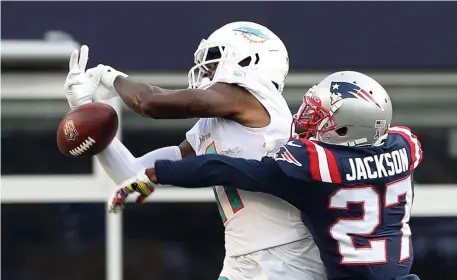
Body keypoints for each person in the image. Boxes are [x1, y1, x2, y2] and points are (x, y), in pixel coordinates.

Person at [64, 21, 325, 280]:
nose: (207, 69)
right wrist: (87, 111)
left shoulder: (252, 94)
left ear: (249, 61)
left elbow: (150, 103)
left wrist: (110, 77)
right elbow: (132, 173)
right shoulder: (215, 125)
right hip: (244, 258)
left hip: (285, 257)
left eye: (215, 59)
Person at [114, 71, 423, 280]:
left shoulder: (316, 166)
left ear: (345, 129)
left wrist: (158, 173)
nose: (305, 118)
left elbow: (224, 168)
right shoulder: (403, 145)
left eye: (319, 116)